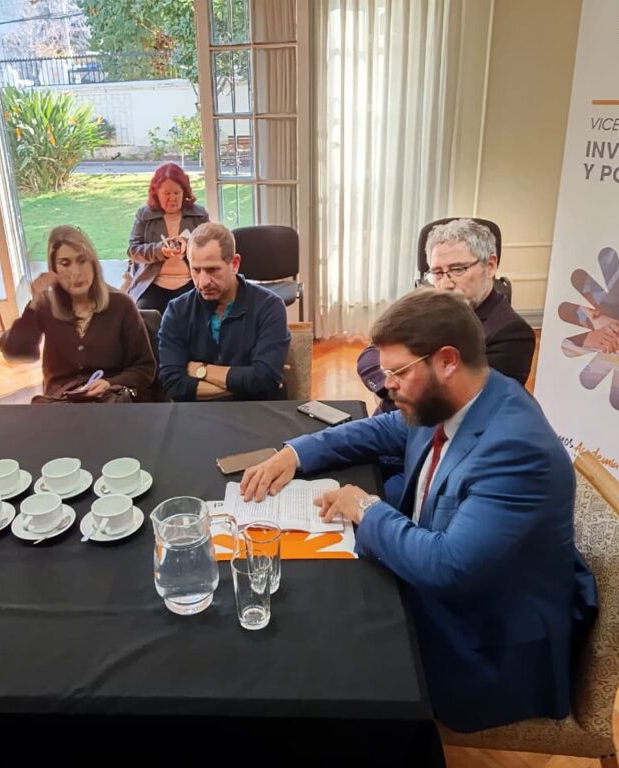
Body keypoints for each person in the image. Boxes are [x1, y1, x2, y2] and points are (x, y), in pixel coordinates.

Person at [241, 289, 598, 733]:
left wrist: (365, 507)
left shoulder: (516, 450)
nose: (385, 384)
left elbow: (445, 567)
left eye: (397, 372)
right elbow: (383, 429)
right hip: (451, 580)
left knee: (319, 649)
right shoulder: (461, 396)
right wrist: (294, 454)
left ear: (447, 360)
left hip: (484, 640)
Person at [358, 218, 535, 413]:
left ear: (490, 266)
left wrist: (389, 397)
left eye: (458, 269)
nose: (446, 284)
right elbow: (369, 356)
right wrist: (387, 388)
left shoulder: (512, 334)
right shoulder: (428, 305)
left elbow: (459, 407)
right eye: (437, 272)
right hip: (390, 422)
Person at [0, 226, 155, 402]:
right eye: (65, 264)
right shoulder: (45, 306)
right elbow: (14, 352)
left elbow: (144, 368)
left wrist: (110, 383)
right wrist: (33, 306)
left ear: (93, 263)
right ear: (54, 270)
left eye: (82, 261)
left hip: (110, 401)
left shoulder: (121, 305)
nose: (76, 273)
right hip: (62, 403)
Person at [158, 222, 290, 402]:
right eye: (196, 270)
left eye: (212, 270)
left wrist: (198, 369)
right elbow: (173, 384)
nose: (203, 282)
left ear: (234, 264)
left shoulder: (270, 307)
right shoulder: (177, 310)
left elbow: (265, 379)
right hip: (197, 418)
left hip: (255, 416)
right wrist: (246, 382)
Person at [125, 163, 209, 313]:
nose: (173, 199)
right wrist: (160, 251)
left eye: (177, 193)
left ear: (185, 192)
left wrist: (188, 246)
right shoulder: (144, 215)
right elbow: (133, 250)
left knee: (194, 314)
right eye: (167, 194)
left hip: (191, 281)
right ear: (156, 193)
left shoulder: (199, 214)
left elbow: (210, 247)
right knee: (145, 315)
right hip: (153, 282)